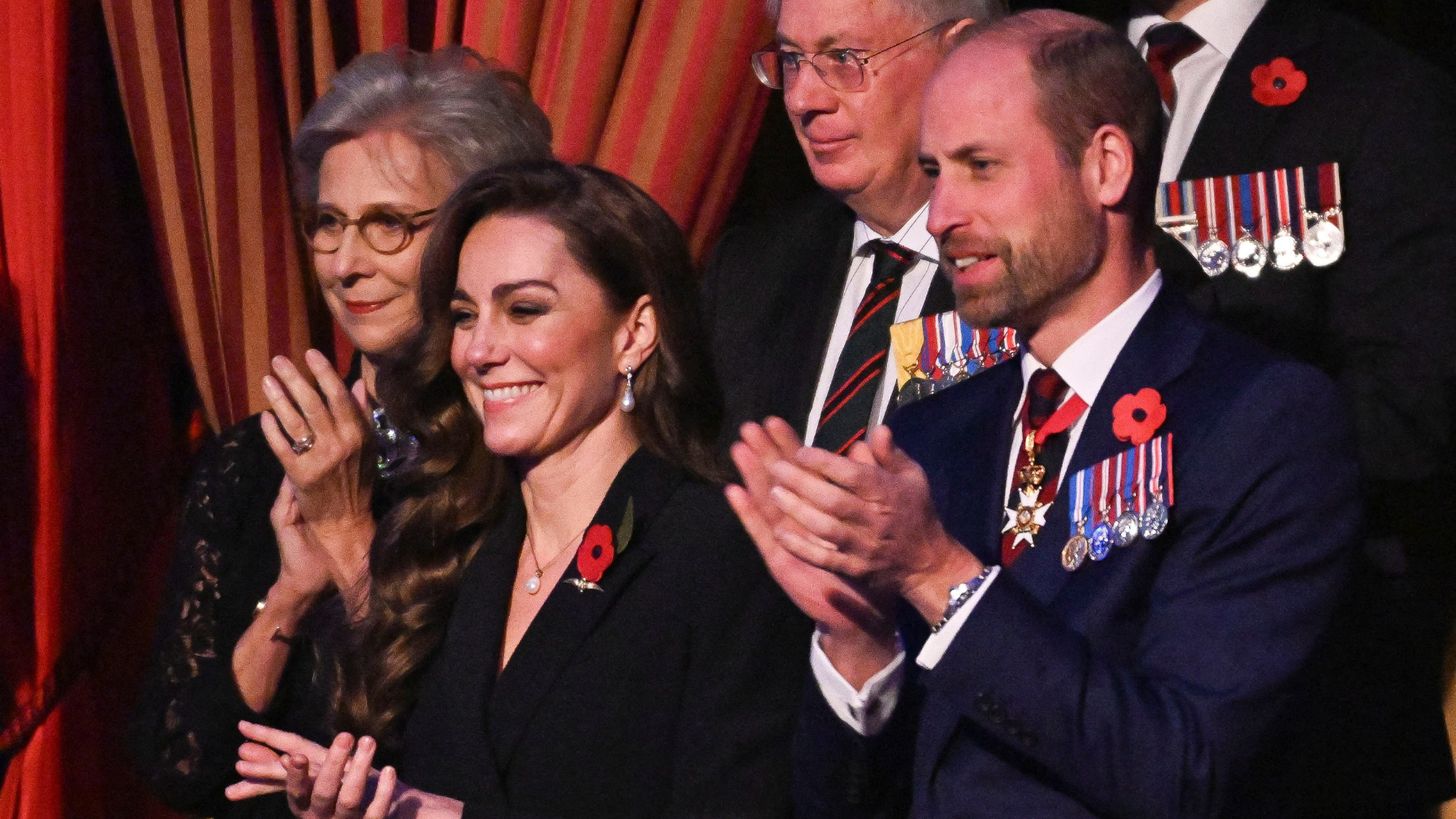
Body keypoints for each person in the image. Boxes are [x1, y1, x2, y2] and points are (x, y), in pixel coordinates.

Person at [727, 11, 1363, 815]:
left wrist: (938, 575)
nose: (943, 211)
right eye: (935, 169)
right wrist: (857, 641)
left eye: (980, 167)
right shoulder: (931, 433)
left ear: (1104, 165)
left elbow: (1187, 770)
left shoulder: (1259, 419)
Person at [224, 161, 810, 818]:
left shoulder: (717, 549)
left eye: (525, 309)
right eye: (465, 315)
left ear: (635, 332)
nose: (479, 350)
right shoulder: (454, 540)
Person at [128, 47, 552, 817]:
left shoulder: (524, 463)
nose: (345, 263)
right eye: (328, 223)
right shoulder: (252, 461)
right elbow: (178, 762)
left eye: (387, 224)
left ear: (481, 229)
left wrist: (350, 536)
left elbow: (465, 761)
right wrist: (291, 595)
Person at [1125, 0, 1456, 811]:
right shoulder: (1052, 67)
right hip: (1057, 708)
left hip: (1298, 720)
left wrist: (1169, 490)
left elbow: (1414, 408)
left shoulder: (1378, 94)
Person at [703, 0, 1005, 454]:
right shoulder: (751, 272)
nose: (803, 99)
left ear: (959, 57)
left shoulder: (1040, 271)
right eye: (791, 61)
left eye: (843, 58)